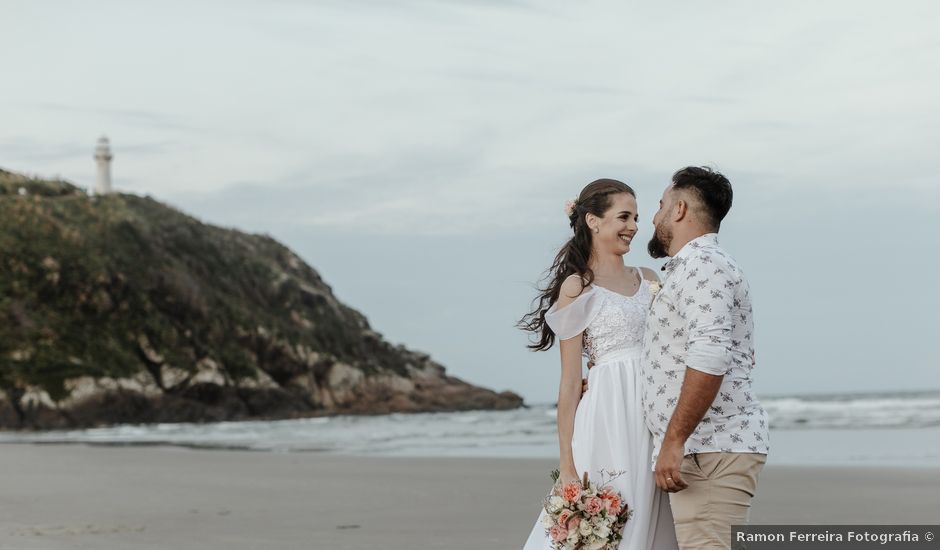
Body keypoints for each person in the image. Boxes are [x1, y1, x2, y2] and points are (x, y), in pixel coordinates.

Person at [520, 179, 677, 550]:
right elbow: (571, 382)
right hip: (607, 416)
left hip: (655, 414)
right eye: (624, 216)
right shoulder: (578, 287)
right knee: (613, 521)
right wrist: (567, 464)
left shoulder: (650, 279)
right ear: (592, 220)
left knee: (658, 519)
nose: (635, 226)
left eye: (637, 217)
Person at [641, 166, 770, 550]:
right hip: (705, 449)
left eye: (660, 204)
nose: (654, 216)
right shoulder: (691, 269)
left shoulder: (704, 266)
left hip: (711, 449)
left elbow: (710, 355)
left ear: (678, 209)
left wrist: (673, 440)